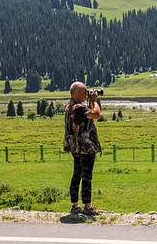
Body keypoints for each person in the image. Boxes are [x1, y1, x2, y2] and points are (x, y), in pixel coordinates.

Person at [64, 81, 102, 215]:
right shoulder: (79, 108)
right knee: (87, 176)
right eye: (85, 93)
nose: (86, 95)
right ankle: (88, 207)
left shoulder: (70, 105)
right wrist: (95, 101)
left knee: (76, 174)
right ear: (79, 93)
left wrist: (90, 101)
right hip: (86, 147)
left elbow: (89, 112)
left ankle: (75, 205)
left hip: (75, 147)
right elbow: (96, 115)